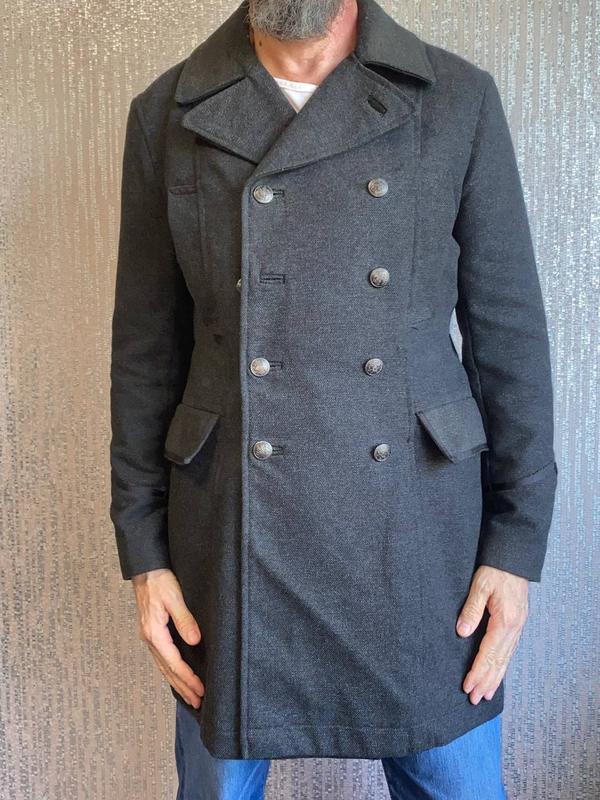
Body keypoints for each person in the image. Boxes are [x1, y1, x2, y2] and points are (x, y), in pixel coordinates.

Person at [109, 0, 558, 797]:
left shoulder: (456, 100)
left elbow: (508, 337)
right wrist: (143, 552)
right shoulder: (169, 113)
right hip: (229, 535)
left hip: (421, 540)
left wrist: (515, 547)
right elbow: (145, 353)